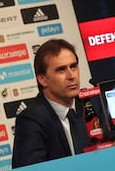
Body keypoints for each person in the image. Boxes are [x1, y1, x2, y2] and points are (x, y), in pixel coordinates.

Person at [12, 39, 90, 168]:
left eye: (73, 66)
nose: (71, 76)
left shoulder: (91, 103)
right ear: (42, 79)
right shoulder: (31, 119)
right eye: (61, 70)